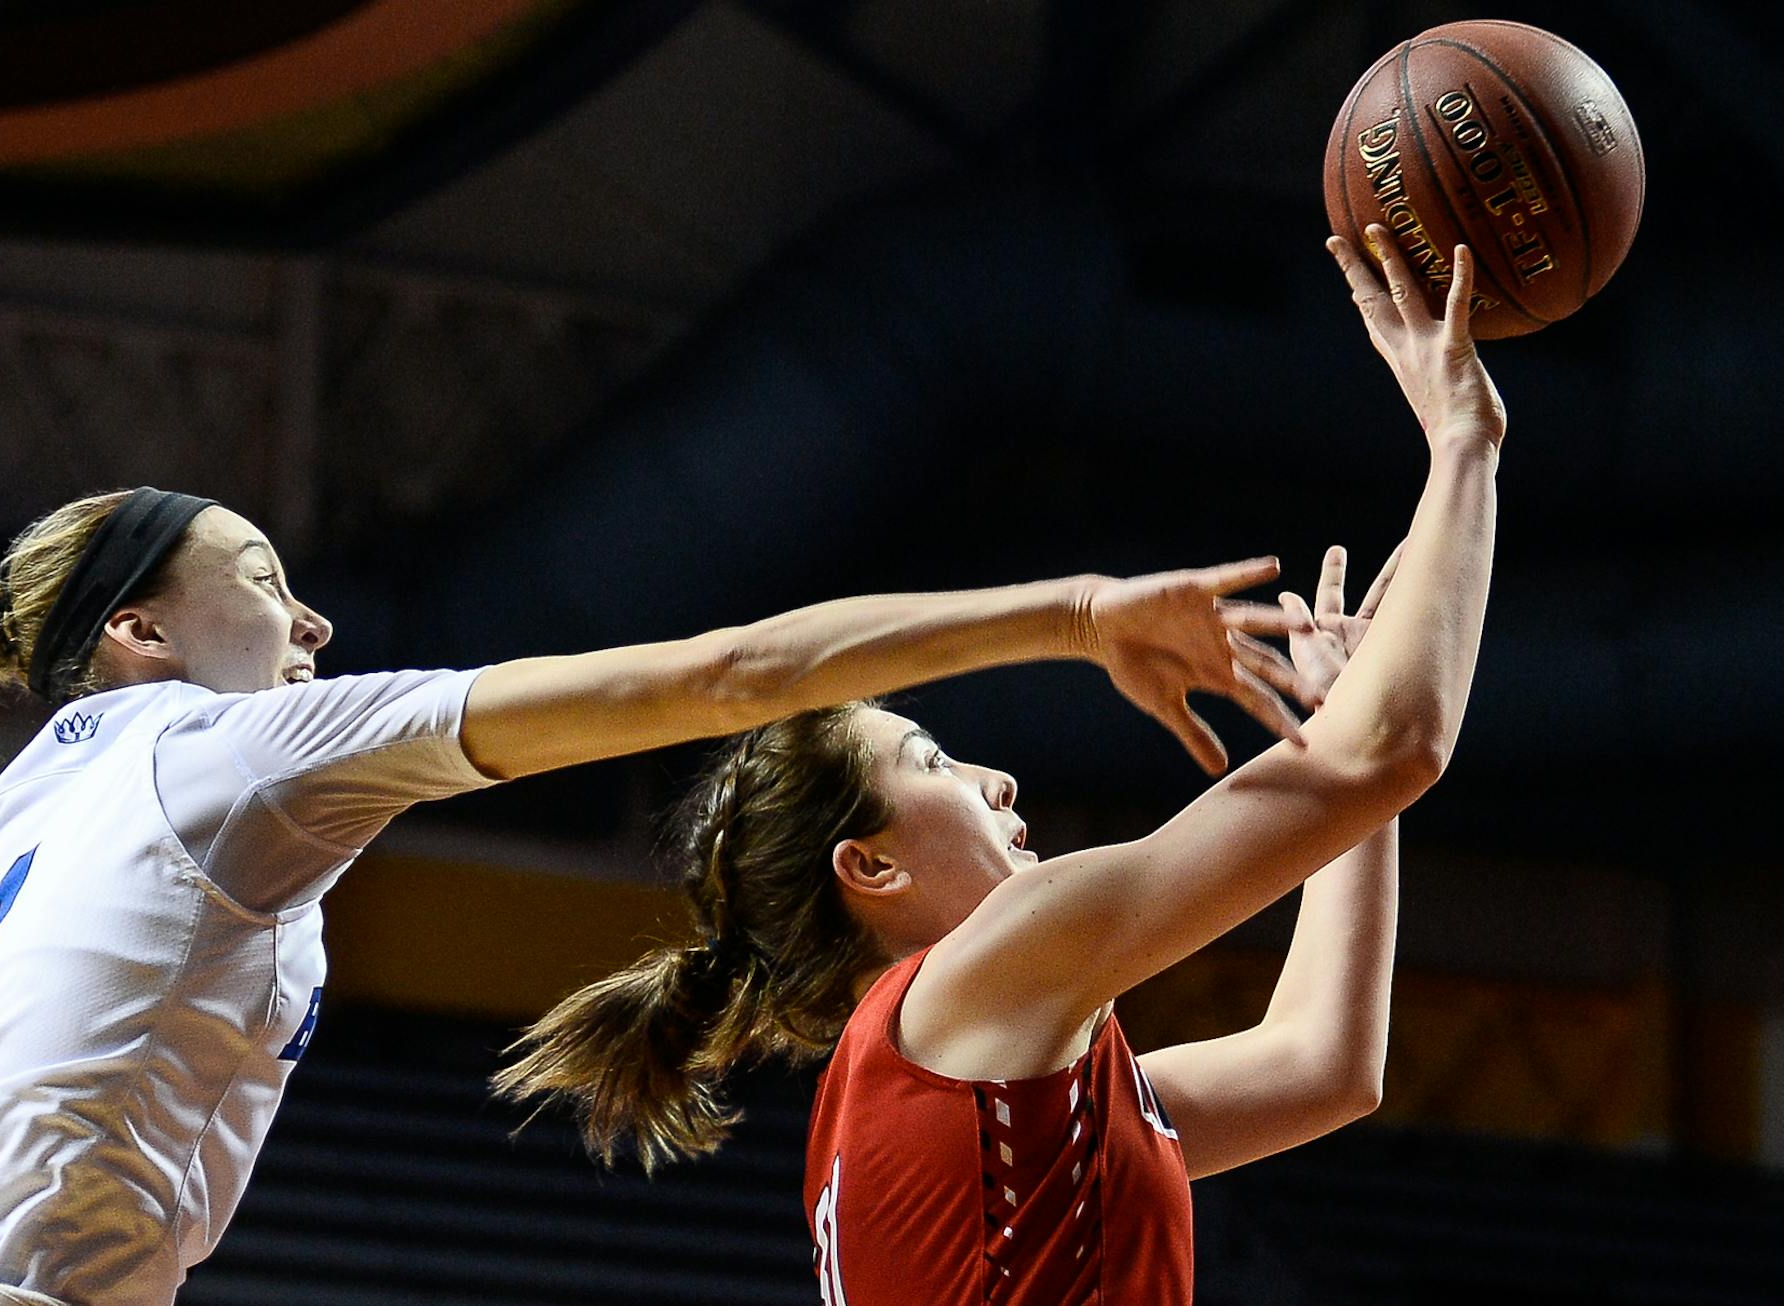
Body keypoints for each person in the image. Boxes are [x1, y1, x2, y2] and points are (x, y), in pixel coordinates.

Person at [0, 460, 1318, 1302]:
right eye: (268, 586)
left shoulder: (20, 822)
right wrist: (1078, 608)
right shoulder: (238, 752)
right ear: (141, 632)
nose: (313, 630)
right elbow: (719, 674)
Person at [495, 225, 1506, 1304]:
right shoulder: (980, 981)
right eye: (928, 759)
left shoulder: (965, 1069)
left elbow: (1321, 1066)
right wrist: (1462, 444)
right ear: (870, 867)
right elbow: (1398, 748)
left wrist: (1351, 725)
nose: (997, 780)